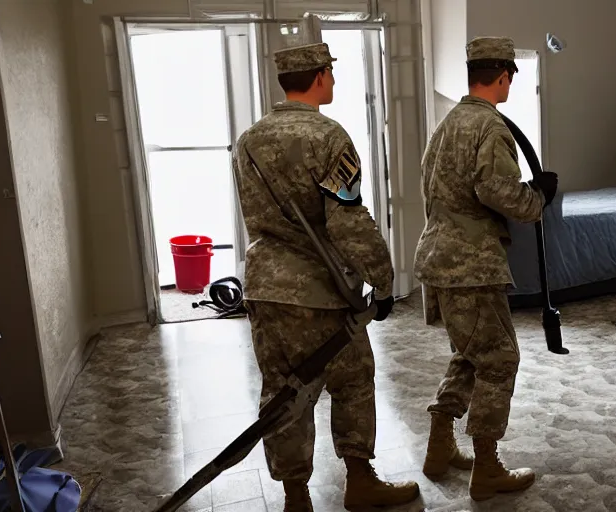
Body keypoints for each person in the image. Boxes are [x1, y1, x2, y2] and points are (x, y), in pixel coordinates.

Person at [232, 42, 420, 512]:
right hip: (323, 291)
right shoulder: (329, 137)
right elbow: (347, 220)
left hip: (265, 285)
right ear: (318, 77)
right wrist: (383, 278)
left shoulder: (248, 141)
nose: (332, 81)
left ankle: (296, 496)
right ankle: (359, 480)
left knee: (283, 388)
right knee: (353, 377)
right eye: (330, 74)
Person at [414, 36, 558, 501]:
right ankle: (488, 467)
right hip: (470, 265)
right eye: (511, 76)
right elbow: (497, 189)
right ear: (503, 76)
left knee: (470, 354)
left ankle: (440, 446)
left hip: (439, 257)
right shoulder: (490, 126)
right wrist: (538, 197)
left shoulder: (448, 123)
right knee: (499, 360)